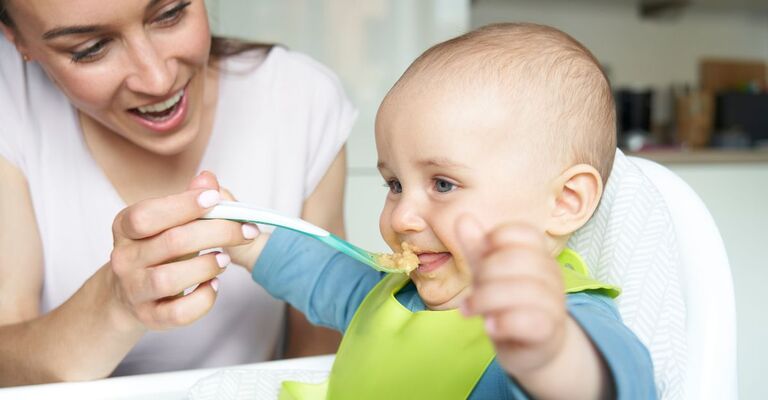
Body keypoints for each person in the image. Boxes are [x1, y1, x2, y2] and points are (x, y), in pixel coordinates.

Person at [219, 22, 656, 398]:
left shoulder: (561, 317)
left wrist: (552, 357)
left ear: (565, 201)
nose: (400, 218)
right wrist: (243, 240)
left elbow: (620, 380)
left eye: (443, 184)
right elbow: (322, 274)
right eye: (395, 185)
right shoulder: (388, 296)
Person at [0, 0, 354, 385]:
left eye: (171, 14)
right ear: (16, 37)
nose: (157, 80)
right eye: (91, 49)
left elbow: (321, 358)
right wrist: (115, 305)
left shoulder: (301, 98)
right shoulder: (10, 107)